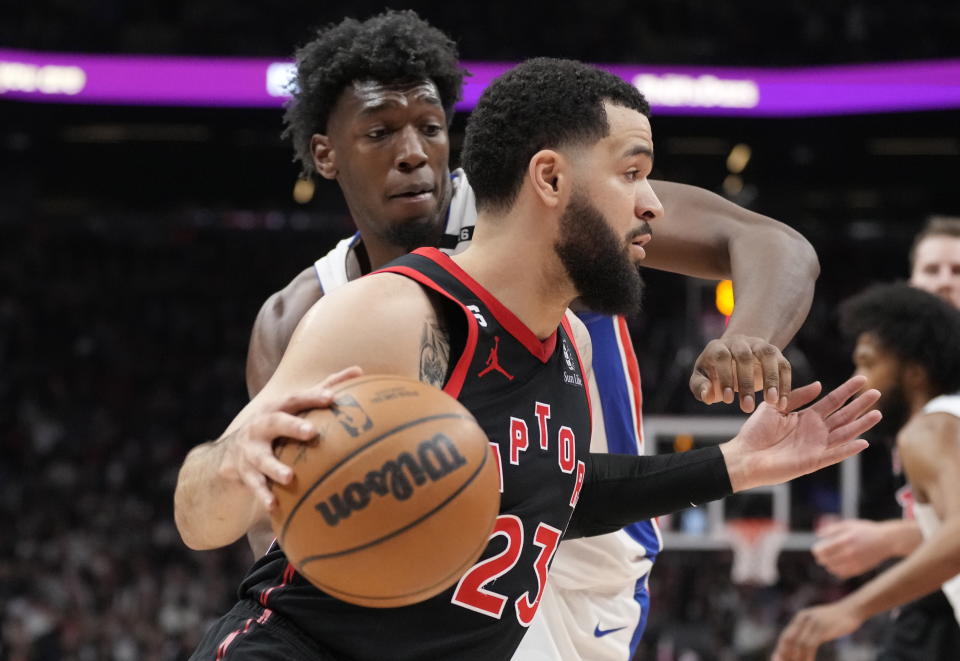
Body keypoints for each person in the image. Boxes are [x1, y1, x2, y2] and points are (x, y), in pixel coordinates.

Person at [175, 56, 878, 661]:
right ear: (548, 178)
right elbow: (211, 520)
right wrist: (231, 465)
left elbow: (557, 484)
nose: (656, 205)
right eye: (632, 172)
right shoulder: (393, 312)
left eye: (429, 124)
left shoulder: (568, 339)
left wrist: (735, 462)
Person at [774, 283, 960, 661]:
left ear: (915, 373)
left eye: (868, 362)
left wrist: (850, 608)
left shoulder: (930, 427)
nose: (857, 380)